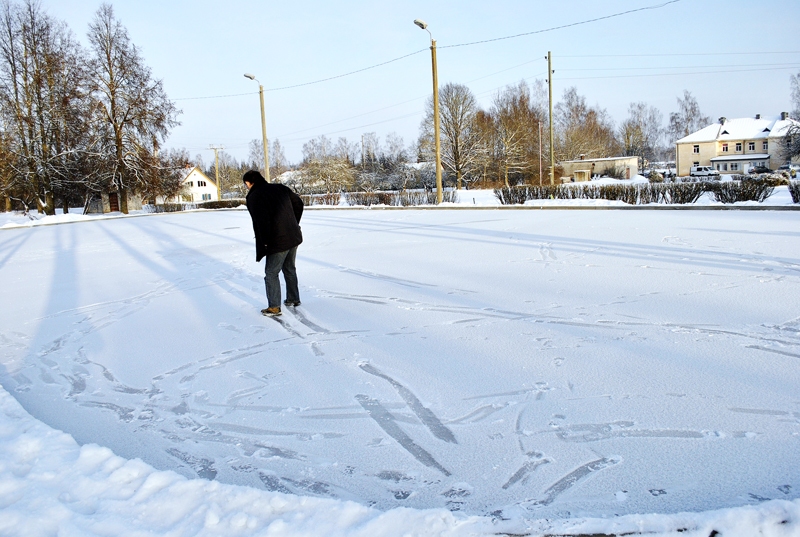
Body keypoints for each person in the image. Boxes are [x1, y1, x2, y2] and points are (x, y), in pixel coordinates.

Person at [242, 170, 304, 316]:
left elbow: (261, 221)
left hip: (277, 240)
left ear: (248, 183)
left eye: (246, 184)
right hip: (293, 236)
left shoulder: (255, 196)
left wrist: (265, 242)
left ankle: (274, 307)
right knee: (289, 268)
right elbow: (299, 204)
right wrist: (293, 223)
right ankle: (293, 299)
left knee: (271, 273)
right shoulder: (280, 188)